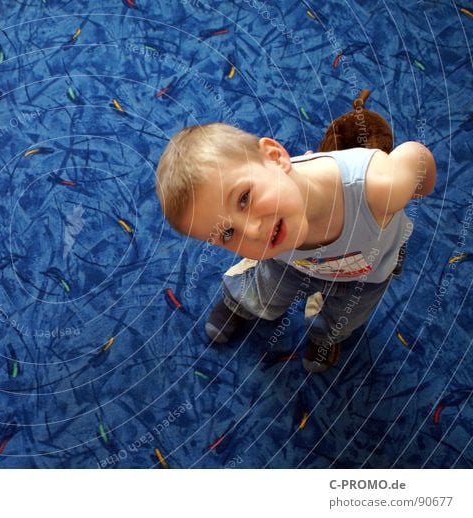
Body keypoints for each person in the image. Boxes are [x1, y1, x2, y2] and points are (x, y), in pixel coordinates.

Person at [155, 123, 436, 373]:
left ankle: (324, 337)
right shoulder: (275, 230)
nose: (253, 230)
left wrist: (407, 169)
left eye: (243, 199)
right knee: (263, 289)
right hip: (290, 262)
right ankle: (238, 303)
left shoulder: (377, 189)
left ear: (275, 157)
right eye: (228, 233)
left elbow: (415, 157)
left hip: (366, 272)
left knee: (344, 317)